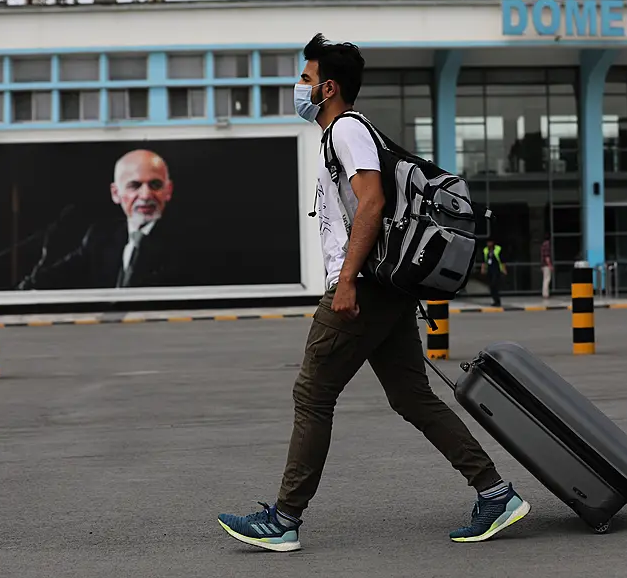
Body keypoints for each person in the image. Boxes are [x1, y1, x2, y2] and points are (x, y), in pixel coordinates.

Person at [216, 33, 529, 553]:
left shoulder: (347, 131)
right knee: (411, 395)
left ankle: (285, 519)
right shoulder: (343, 133)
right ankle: (496, 493)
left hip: (363, 287)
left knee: (313, 395)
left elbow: (371, 204)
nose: (299, 87)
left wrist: (345, 282)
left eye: (306, 79)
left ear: (329, 88)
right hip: (382, 287)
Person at [17, 149, 188, 290]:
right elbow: (55, 277)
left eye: (155, 185)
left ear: (169, 190)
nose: (145, 195)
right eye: (134, 186)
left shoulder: (187, 241)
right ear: (116, 193)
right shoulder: (101, 236)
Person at [481, 239, 507, 307]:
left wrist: (504, 269)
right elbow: (484, 260)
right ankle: (495, 300)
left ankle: (497, 301)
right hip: (489, 270)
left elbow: (502, 260)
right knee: (491, 286)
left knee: (495, 285)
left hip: (497, 270)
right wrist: (483, 269)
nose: (488, 244)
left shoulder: (498, 249)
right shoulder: (485, 250)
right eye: (488, 242)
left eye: (490, 242)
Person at [540, 233, 552, 299]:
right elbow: (547, 256)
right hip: (546, 265)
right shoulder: (547, 244)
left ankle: (544, 293)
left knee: (545, 279)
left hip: (543, 265)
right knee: (547, 279)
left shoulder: (543, 244)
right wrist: (550, 265)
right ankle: (546, 294)